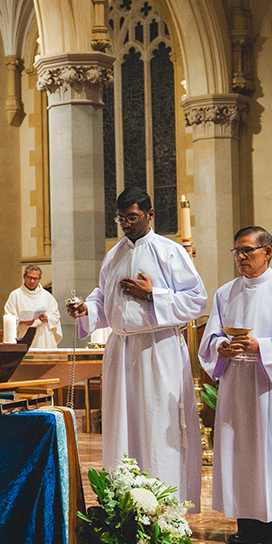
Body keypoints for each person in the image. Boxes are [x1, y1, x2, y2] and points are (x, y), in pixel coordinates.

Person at [67, 187, 207, 511]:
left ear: (149, 214)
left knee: (157, 428)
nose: (126, 224)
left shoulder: (170, 252)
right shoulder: (113, 255)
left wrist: (153, 294)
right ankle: (125, 507)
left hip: (158, 348)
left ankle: (164, 512)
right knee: (121, 429)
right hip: (121, 349)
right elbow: (102, 297)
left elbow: (197, 300)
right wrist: (86, 310)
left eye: (132, 217)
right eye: (121, 219)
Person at [199, 226, 272, 544]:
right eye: (237, 251)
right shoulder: (225, 293)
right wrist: (221, 347)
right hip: (237, 382)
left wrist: (259, 345)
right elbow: (211, 338)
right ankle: (246, 524)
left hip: (271, 382)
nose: (241, 257)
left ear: (268, 252)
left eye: (247, 250)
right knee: (240, 452)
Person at [4, 265, 62, 348]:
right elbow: (8, 318)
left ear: (40, 279)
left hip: (43, 335)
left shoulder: (47, 297)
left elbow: (56, 316)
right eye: (29, 277)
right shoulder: (15, 295)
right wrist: (21, 322)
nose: (32, 281)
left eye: (35, 279)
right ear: (24, 276)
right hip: (23, 335)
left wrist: (47, 318)